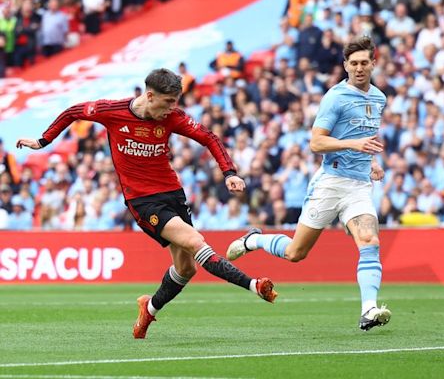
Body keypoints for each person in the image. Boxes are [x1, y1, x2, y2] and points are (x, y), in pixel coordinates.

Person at [16, 68, 278, 339]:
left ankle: (148, 310)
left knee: (186, 268)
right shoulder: (112, 111)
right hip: (142, 201)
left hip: (173, 194)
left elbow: (208, 138)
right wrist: (43, 140)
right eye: (168, 102)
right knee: (195, 241)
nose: (172, 109)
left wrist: (229, 173)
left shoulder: (173, 117)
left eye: (176, 102)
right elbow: (73, 111)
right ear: (150, 96)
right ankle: (254, 285)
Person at [226, 36, 391, 331]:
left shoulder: (379, 99)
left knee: (370, 241)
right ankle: (255, 239)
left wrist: (373, 162)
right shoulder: (335, 97)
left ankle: (369, 310)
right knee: (295, 254)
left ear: (373, 64)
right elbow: (316, 142)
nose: (359, 68)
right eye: (353, 63)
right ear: (345, 66)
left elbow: (367, 138)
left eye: (364, 62)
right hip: (330, 182)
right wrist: (355, 145)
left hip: (359, 186)